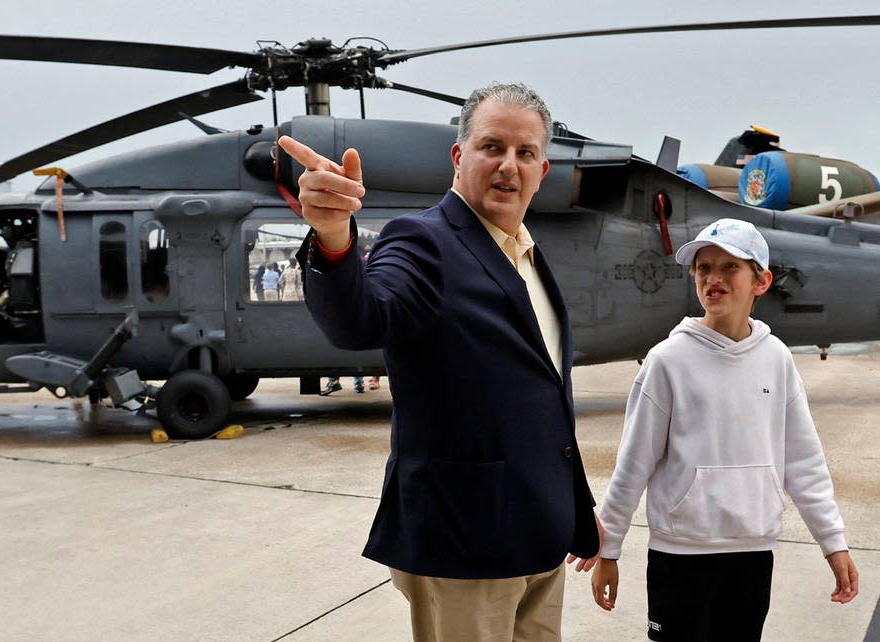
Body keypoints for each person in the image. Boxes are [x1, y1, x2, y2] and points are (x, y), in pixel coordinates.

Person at [279, 82, 600, 641]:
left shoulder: (524, 251)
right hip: (465, 542)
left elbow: (542, 398)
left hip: (539, 533)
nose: (509, 166)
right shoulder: (423, 240)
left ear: (541, 170)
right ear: (459, 156)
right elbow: (360, 319)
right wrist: (333, 236)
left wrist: (571, 502)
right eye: (491, 147)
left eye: (525, 153)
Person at [592, 218, 859, 640]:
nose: (713, 278)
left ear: (762, 281)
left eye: (729, 267)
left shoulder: (777, 358)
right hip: (680, 555)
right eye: (703, 268)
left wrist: (833, 540)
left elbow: (804, 461)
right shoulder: (667, 360)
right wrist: (608, 546)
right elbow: (634, 462)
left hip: (753, 555)